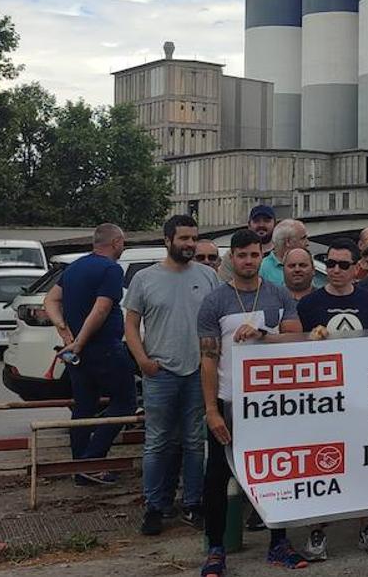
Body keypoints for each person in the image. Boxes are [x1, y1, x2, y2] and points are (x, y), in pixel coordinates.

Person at [197, 229, 302, 577]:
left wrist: (263, 335)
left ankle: (279, 542)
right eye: (241, 255)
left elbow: (295, 339)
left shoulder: (278, 295)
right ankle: (215, 549)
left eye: (254, 255)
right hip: (229, 401)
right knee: (217, 476)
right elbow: (208, 359)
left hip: (271, 404)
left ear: (262, 256)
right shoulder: (214, 301)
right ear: (232, 259)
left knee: (276, 473)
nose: (248, 261)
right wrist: (211, 409)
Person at [123, 215, 220, 535]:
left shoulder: (208, 276)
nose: (190, 244)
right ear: (168, 241)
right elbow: (131, 325)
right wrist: (143, 360)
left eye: (194, 238)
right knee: (158, 442)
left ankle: (193, 504)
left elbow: (220, 320)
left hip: (199, 373)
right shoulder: (144, 279)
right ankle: (155, 506)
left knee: (195, 441)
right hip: (160, 373)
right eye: (183, 239)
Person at [294, 239, 368, 561]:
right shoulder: (309, 304)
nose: (335, 270)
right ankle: (318, 531)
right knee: (323, 463)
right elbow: (294, 349)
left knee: (366, 462)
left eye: (343, 265)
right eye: (330, 263)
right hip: (322, 398)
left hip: (362, 395)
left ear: (355, 268)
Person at [43, 223, 136, 486]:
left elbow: (49, 301)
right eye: (123, 243)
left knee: (83, 408)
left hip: (77, 355)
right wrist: (80, 342)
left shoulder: (74, 268)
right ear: (116, 242)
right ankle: (93, 461)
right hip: (103, 347)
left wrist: (64, 331)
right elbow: (102, 309)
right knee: (126, 404)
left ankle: (81, 468)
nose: (123, 247)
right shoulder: (110, 269)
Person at [258, 219, 308, 288]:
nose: (307, 243)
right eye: (303, 238)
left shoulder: (309, 265)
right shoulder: (262, 269)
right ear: (288, 242)